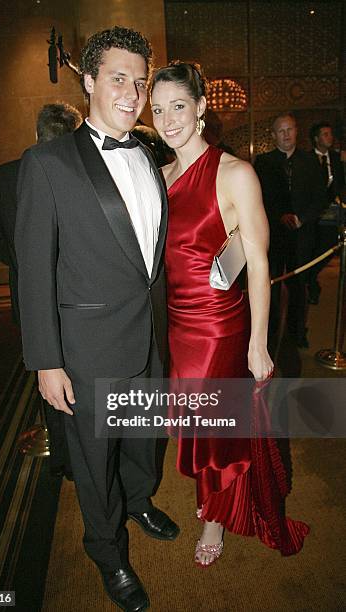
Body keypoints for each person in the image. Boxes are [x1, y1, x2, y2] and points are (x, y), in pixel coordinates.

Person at [15, 27, 178, 612]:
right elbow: (33, 272)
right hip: (84, 349)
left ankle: (139, 500)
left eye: (141, 82)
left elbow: (146, 258)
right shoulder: (47, 163)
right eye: (118, 79)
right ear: (88, 81)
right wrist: (46, 361)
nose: (133, 93)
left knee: (142, 440)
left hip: (146, 338)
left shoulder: (149, 155)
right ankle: (106, 550)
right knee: (92, 459)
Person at [151, 62, 309, 567]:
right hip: (175, 324)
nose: (168, 119)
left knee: (215, 428)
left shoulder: (235, 172)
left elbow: (259, 263)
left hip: (220, 327)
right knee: (196, 422)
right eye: (157, 109)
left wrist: (257, 343)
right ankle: (214, 496)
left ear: (200, 108)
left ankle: (214, 518)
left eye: (178, 106)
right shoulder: (158, 176)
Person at [0, 102, 83, 480]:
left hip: (28, 295)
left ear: (35, 133)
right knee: (82, 373)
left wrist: (25, 266)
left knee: (45, 373)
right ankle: (86, 449)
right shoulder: (79, 173)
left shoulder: (2, 176)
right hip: (79, 296)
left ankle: (61, 454)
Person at [254, 113, 326, 349]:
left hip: (303, 235)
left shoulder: (310, 161)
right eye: (281, 131)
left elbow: (320, 198)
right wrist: (278, 217)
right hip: (274, 235)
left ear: (297, 131)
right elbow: (259, 199)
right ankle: (269, 333)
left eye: (290, 129)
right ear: (273, 135)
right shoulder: (263, 163)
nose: (286, 135)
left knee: (299, 286)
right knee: (271, 286)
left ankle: (296, 333)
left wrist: (301, 219)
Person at [307, 121, 345, 304]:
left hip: (331, 213)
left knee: (328, 248)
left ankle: (311, 278)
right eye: (325, 134)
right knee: (312, 249)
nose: (330, 138)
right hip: (312, 214)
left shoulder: (337, 158)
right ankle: (310, 284)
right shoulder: (306, 159)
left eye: (330, 134)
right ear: (316, 139)